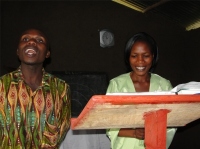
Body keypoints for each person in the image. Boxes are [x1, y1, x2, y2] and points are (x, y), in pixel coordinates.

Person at [0, 29, 71, 148]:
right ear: (18, 51)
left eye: (39, 40)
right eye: (25, 39)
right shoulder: (2, 86)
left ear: (47, 53)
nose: (31, 42)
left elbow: (60, 132)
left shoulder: (61, 89)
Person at [106, 32, 176, 149]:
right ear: (128, 58)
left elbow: (173, 122)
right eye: (134, 56)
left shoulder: (164, 85)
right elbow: (107, 123)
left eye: (146, 55)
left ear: (153, 57)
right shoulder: (117, 85)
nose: (140, 61)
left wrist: (153, 130)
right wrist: (133, 133)